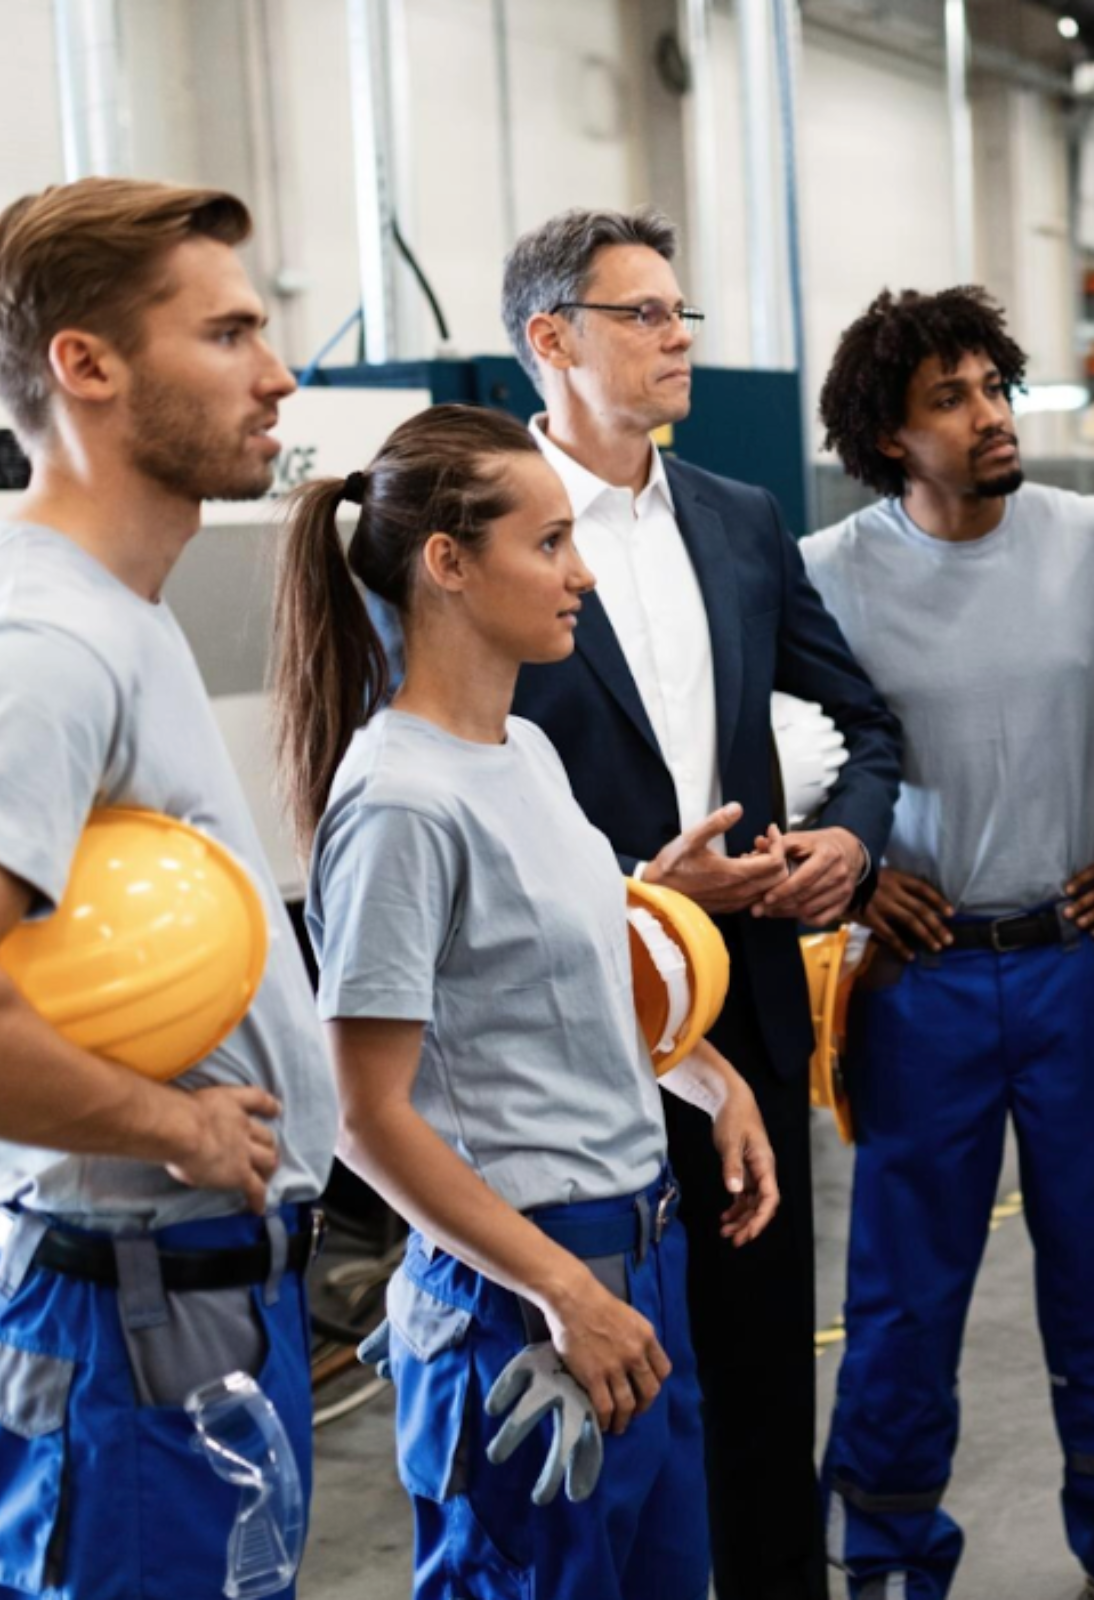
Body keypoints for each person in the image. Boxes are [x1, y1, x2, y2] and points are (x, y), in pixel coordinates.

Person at [0, 178, 334, 1598]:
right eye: (231, 333)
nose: (278, 372)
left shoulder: (112, 613)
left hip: (190, 1311)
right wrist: (169, 1125)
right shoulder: (36, 635)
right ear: (89, 364)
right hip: (119, 1327)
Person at [273, 403, 779, 1599]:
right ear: (446, 564)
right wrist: (562, 1290)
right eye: (549, 542)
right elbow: (364, 1114)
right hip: (527, 1296)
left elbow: (590, 966)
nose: (582, 571)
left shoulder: (526, 756)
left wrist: (717, 1082)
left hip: (633, 1265)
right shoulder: (401, 802)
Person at [499, 207, 902, 1600]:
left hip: (749, 1016)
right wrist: (629, 896)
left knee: (756, 1388)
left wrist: (846, 847)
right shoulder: (483, 528)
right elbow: (456, 772)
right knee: (601, 1408)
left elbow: (865, 719)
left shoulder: (737, 520)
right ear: (552, 341)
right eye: (645, 316)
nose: (681, 340)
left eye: (684, 314)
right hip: (565, 1036)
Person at [802, 286, 1094, 1600]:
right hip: (916, 986)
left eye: (994, 387)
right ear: (886, 439)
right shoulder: (826, 576)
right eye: (952, 398)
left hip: (1081, 969)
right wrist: (858, 880)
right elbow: (767, 753)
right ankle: (888, 1564)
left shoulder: (1092, 539)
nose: (989, 416)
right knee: (906, 1301)